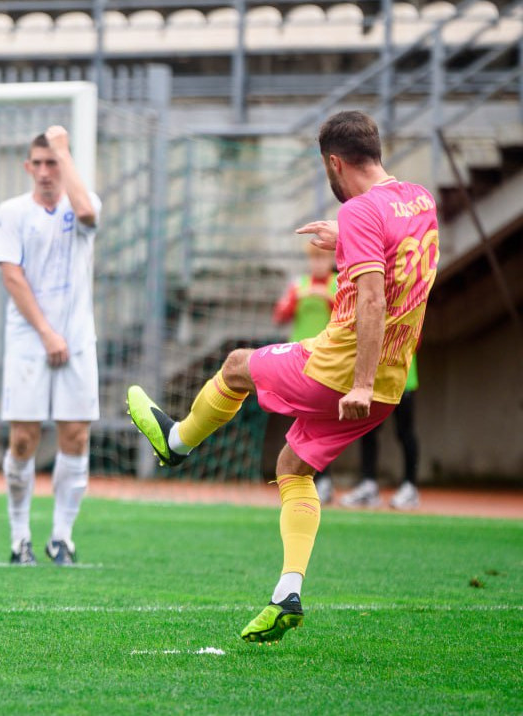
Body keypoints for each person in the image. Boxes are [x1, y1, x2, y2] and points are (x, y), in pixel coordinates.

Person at [126, 110, 438, 643]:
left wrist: (357, 381)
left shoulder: (363, 210)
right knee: (292, 466)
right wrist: (345, 235)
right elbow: (400, 256)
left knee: (236, 365)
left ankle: (176, 442)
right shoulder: (419, 198)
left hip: (339, 369)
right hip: (391, 380)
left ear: (334, 163)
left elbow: (368, 297)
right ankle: (287, 592)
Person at [0, 126, 102, 567]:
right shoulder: (12, 211)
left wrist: (64, 150)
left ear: (65, 164)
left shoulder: (83, 202)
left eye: (52, 162)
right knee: (23, 439)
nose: (43, 171)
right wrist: (46, 333)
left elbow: (88, 214)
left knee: (75, 435)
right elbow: (11, 275)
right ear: (26, 167)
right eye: (36, 163)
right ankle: (20, 538)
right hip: (27, 339)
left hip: (77, 338)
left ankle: (62, 537)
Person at [270, 244, 339, 503]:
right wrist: (299, 297)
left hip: (328, 363)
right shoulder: (299, 285)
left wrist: (325, 296)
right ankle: (303, 480)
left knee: (321, 424)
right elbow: (279, 315)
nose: (318, 263)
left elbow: (348, 314)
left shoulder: (338, 283)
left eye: (323, 258)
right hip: (300, 364)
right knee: (301, 424)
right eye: (314, 258)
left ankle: (324, 480)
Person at [341, 360, 421, 509]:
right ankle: (368, 484)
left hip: (403, 380)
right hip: (378, 381)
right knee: (368, 431)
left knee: (405, 433)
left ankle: (410, 486)